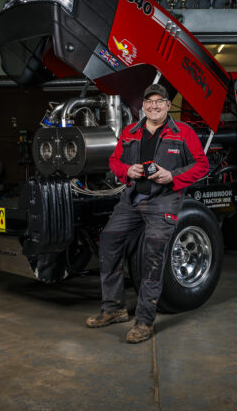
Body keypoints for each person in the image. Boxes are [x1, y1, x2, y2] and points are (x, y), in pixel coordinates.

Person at [86, 83, 209, 343]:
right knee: (109, 241)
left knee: (151, 257)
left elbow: (201, 165)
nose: (154, 105)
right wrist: (126, 171)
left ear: (167, 105)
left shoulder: (183, 132)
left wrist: (171, 176)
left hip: (163, 202)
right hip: (132, 200)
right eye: (149, 101)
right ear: (143, 106)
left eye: (159, 101)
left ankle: (144, 321)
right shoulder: (131, 131)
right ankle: (114, 308)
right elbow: (114, 161)